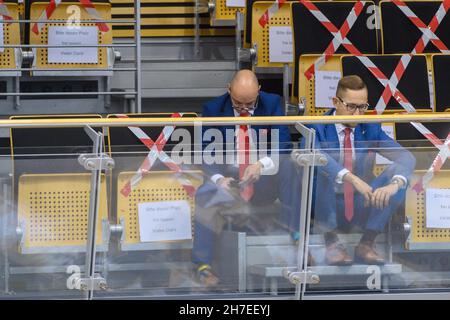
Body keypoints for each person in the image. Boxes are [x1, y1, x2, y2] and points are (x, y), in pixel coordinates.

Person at [192, 70, 301, 287]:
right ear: (228, 89)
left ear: (259, 92)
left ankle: (297, 239)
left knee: (290, 167)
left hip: (262, 180)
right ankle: (202, 266)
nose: (244, 109)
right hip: (229, 181)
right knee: (204, 193)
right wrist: (218, 179)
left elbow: (284, 143)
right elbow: (203, 153)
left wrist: (262, 164)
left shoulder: (271, 104)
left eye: (250, 104)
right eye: (238, 103)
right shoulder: (213, 109)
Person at [309, 75, 416, 266]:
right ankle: (332, 243)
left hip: (361, 203)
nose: (357, 113)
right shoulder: (318, 126)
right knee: (323, 173)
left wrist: (393, 185)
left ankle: (367, 243)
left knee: (399, 178)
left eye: (362, 107)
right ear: (336, 102)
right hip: (327, 206)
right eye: (351, 107)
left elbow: (407, 157)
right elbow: (317, 157)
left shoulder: (369, 127)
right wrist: (353, 179)